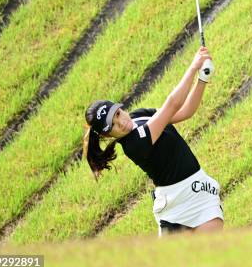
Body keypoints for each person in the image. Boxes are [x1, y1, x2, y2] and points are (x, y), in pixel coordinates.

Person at [83, 46, 223, 235]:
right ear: (107, 135)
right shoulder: (134, 146)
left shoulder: (139, 115)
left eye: (118, 113)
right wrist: (192, 67)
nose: (122, 122)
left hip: (200, 192)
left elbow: (184, 111)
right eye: (113, 125)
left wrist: (202, 79)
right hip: (174, 206)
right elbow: (172, 103)